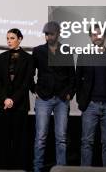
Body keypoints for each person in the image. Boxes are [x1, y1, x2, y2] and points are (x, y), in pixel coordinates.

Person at [32, 21, 76, 172]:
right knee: (41, 137)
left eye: (50, 33)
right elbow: (30, 73)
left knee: (61, 138)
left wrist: (70, 93)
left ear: (57, 34)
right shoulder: (38, 51)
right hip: (43, 98)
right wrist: (34, 89)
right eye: (46, 34)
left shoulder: (66, 50)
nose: (48, 36)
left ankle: (61, 169)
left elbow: (72, 75)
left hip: (62, 99)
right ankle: (37, 168)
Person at [76, 24, 106, 167]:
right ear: (90, 37)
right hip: (90, 105)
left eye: (100, 34)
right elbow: (78, 80)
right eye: (94, 34)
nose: (97, 37)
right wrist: (82, 101)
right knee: (87, 143)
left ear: (105, 36)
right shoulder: (84, 54)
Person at [0, 28, 33, 169]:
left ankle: (19, 168)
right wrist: (5, 98)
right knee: (3, 139)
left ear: (20, 39)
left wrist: (13, 100)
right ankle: (2, 168)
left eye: (12, 38)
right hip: (4, 104)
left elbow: (27, 82)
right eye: (7, 38)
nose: (9, 41)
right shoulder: (2, 56)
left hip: (20, 104)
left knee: (19, 140)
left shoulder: (29, 58)